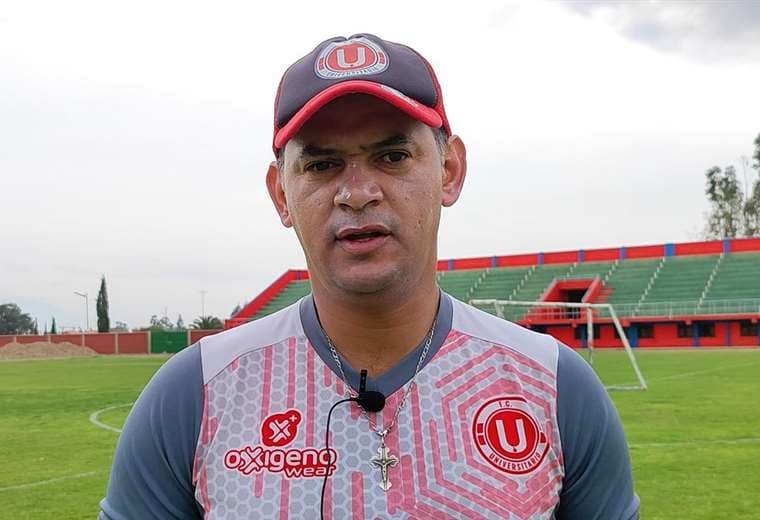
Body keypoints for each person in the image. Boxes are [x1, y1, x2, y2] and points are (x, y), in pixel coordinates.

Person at [99, 33, 639, 519]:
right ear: (280, 193)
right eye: (321, 164)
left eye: (393, 156)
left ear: (449, 172)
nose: (357, 192)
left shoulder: (554, 388)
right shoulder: (194, 395)